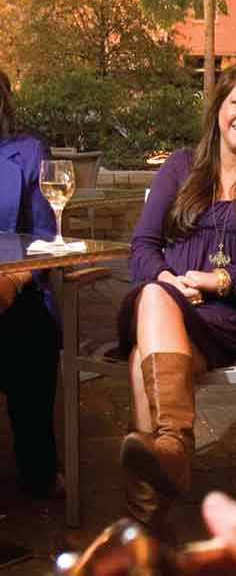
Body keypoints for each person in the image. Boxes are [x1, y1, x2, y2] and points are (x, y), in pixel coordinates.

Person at [117, 64, 236, 531]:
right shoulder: (181, 165)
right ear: (219, 109)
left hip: (235, 320)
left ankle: (148, 520)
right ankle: (174, 445)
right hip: (169, 305)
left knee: (145, 354)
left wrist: (218, 281)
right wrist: (171, 279)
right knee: (156, 296)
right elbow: (142, 245)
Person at [0, 70, 62, 499]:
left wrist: (12, 279)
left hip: (15, 286)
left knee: (30, 331)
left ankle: (37, 464)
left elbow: (44, 238)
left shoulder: (27, 152)